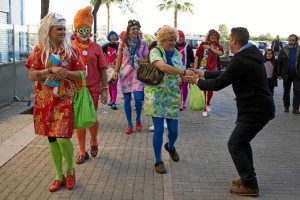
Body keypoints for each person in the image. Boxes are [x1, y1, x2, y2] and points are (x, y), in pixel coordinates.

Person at [185, 27, 275, 196]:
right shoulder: (249, 54)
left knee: (235, 144)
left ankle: (250, 185)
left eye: (230, 39)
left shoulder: (242, 59)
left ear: (233, 40)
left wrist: (196, 80)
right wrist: (203, 73)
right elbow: (226, 73)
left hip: (255, 110)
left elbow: (219, 83)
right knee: (241, 143)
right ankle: (248, 178)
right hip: (257, 108)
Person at [25, 12, 85, 192]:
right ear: (48, 30)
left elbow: (82, 74)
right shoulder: (38, 51)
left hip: (65, 101)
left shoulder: (72, 50)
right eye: (58, 28)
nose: (62, 32)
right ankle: (59, 175)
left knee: (62, 137)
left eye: (64, 29)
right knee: (52, 138)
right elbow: (31, 75)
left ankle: (70, 171)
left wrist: (65, 73)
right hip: (45, 101)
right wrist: (49, 70)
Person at [144, 25, 194, 174]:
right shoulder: (155, 51)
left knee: (174, 131)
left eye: (173, 39)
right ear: (161, 40)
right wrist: (182, 71)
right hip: (156, 95)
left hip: (172, 95)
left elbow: (181, 74)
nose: (171, 42)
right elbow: (163, 67)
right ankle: (158, 161)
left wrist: (188, 76)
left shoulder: (178, 54)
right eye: (168, 40)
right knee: (158, 130)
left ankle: (170, 146)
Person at [72, 6, 108, 164]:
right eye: (81, 29)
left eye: (87, 29)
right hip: (75, 89)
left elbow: (103, 69)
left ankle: (93, 140)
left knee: (91, 117)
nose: (84, 32)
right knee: (79, 119)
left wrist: (104, 89)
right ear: (76, 30)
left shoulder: (96, 48)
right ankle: (81, 150)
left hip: (92, 88)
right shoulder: (70, 47)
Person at [113, 19, 149, 134]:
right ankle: (129, 124)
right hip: (124, 73)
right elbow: (119, 57)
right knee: (127, 100)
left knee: (138, 98)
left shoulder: (143, 43)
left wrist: (141, 60)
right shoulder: (122, 43)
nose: (136, 31)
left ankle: (138, 119)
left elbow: (146, 59)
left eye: (137, 29)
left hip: (137, 74)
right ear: (128, 30)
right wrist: (116, 71)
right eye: (133, 29)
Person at [193, 29, 224, 117]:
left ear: (217, 37)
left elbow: (220, 53)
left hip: (213, 69)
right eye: (211, 35)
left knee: (211, 87)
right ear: (209, 36)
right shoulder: (203, 44)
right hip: (203, 68)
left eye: (215, 35)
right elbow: (197, 55)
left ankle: (208, 102)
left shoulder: (219, 46)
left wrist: (210, 48)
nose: (213, 37)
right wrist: (195, 67)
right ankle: (204, 107)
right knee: (203, 87)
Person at [277, 34, 300, 114]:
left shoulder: (299, 50)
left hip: (297, 74)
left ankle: (295, 109)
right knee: (286, 91)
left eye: (293, 40)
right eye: (290, 40)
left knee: (297, 90)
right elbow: (279, 62)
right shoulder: (283, 50)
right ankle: (286, 107)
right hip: (286, 74)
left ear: (296, 41)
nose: (291, 42)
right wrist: (278, 74)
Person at [176, 30, 195, 110]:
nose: (179, 38)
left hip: (186, 70)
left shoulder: (188, 46)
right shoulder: (173, 46)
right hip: (176, 70)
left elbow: (192, 59)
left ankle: (183, 102)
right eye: (178, 36)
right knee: (178, 87)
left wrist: (193, 70)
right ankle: (179, 102)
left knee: (185, 87)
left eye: (181, 36)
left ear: (183, 37)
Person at [102, 31, 120, 110]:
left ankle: (114, 102)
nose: (113, 37)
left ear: (116, 37)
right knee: (109, 84)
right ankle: (111, 100)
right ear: (109, 37)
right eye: (111, 36)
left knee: (114, 84)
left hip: (115, 68)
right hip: (108, 68)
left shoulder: (119, 46)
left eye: (114, 36)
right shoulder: (106, 46)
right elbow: (100, 54)